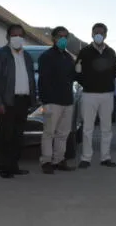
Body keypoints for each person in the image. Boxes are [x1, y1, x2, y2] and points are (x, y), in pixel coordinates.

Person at [0, 24, 36, 178]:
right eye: (14, 35)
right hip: (7, 102)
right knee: (5, 136)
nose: (17, 38)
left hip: (23, 101)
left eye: (20, 35)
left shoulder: (27, 56)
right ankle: (4, 168)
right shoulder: (0, 55)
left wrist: (32, 101)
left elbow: (31, 80)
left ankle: (14, 166)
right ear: (8, 37)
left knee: (18, 136)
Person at [76, 23, 116, 169]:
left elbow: (114, 71)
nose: (98, 35)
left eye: (101, 32)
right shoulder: (84, 52)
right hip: (89, 94)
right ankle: (86, 158)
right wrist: (88, 83)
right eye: (96, 32)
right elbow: (78, 72)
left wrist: (105, 83)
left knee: (106, 128)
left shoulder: (111, 52)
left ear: (106, 35)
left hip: (107, 94)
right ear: (92, 34)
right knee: (88, 128)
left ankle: (105, 157)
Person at [38, 26, 77, 174]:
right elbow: (43, 80)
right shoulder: (46, 56)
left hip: (67, 100)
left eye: (65, 36)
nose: (63, 39)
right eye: (60, 36)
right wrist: (45, 101)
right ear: (53, 38)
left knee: (63, 133)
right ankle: (46, 161)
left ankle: (59, 160)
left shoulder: (68, 58)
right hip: (52, 101)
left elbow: (73, 77)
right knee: (49, 133)